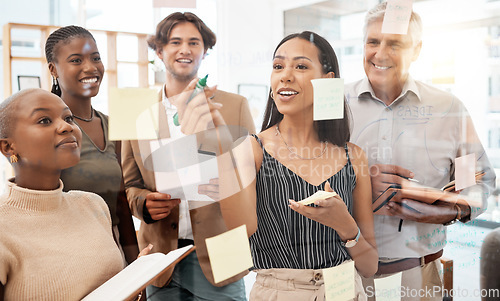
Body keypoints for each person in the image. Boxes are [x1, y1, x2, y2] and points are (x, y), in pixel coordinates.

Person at [346, 3, 496, 300]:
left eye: (395, 43)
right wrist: (358, 181)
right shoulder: (333, 105)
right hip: (344, 276)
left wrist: (449, 210)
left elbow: (477, 184)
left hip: (419, 279)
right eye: (373, 41)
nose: (380, 53)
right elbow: (300, 175)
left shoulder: (448, 110)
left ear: (416, 50)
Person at [219, 31, 378, 300]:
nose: (285, 75)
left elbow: (369, 266)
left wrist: (346, 227)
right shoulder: (250, 150)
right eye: (278, 66)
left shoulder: (354, 157)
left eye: (301, 66)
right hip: (278, 292)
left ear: (328, 82)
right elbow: (233, 245)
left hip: (345, 290)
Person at [121, 12, 256, 300]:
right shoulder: (135, 111)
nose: (185, 49)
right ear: (159, 51)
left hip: (224, 255)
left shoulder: (235, 106)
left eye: (194, 42)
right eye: (175, 42)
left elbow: (252, 175)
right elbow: (128, 185)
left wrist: (231, 186)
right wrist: (142, 203)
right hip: (160, 257)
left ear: (204, 51)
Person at [0, 89, 124, 300]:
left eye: (68, 118)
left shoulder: (93, 204)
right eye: (45, 120)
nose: (67, 126)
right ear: (8, 147)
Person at [45, 25, 140, 264]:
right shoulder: (47, 130)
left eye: (96, 58)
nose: (90, 67)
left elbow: (122, 206)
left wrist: (137, 268)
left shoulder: (113, 126)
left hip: (112, 255)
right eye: (76, 60)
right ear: (53, 69)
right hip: (65, 258)